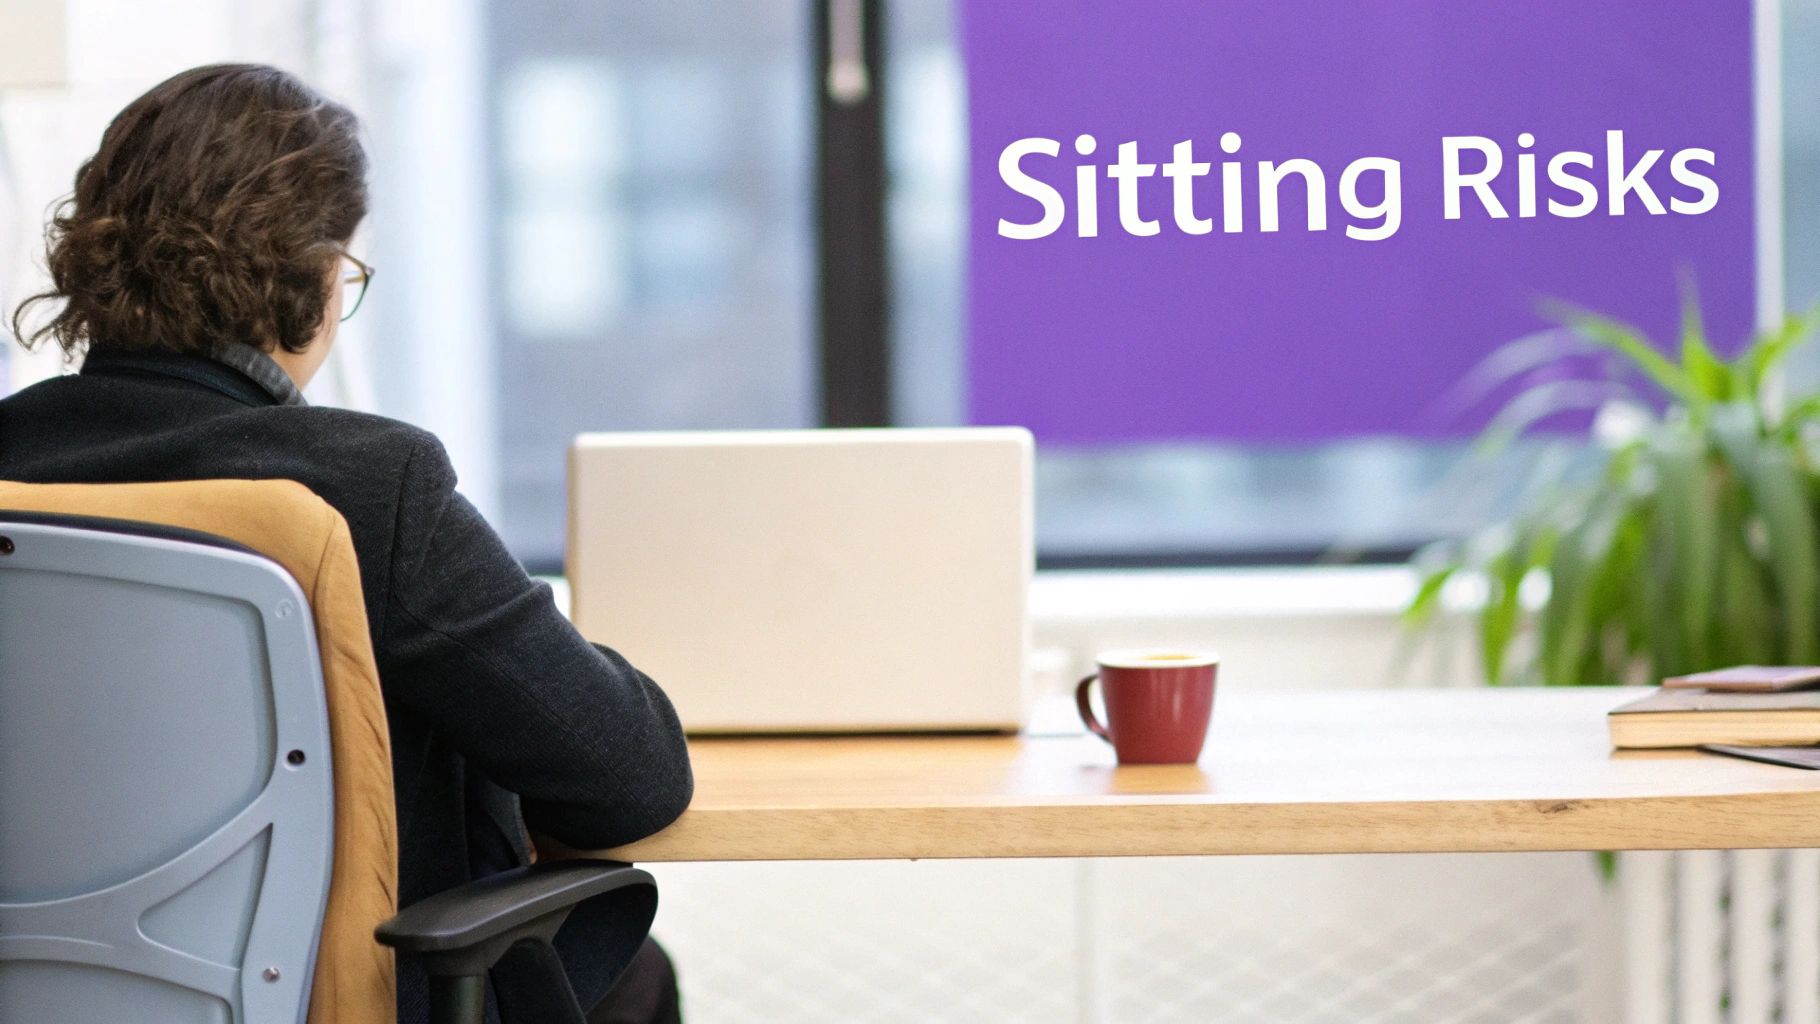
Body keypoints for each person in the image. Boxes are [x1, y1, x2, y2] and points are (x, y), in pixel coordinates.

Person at [0, 63, 690, 1024]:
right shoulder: (368, 486)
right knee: (633, 975)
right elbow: (629, 777)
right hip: (330, 996)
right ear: (314, 277)